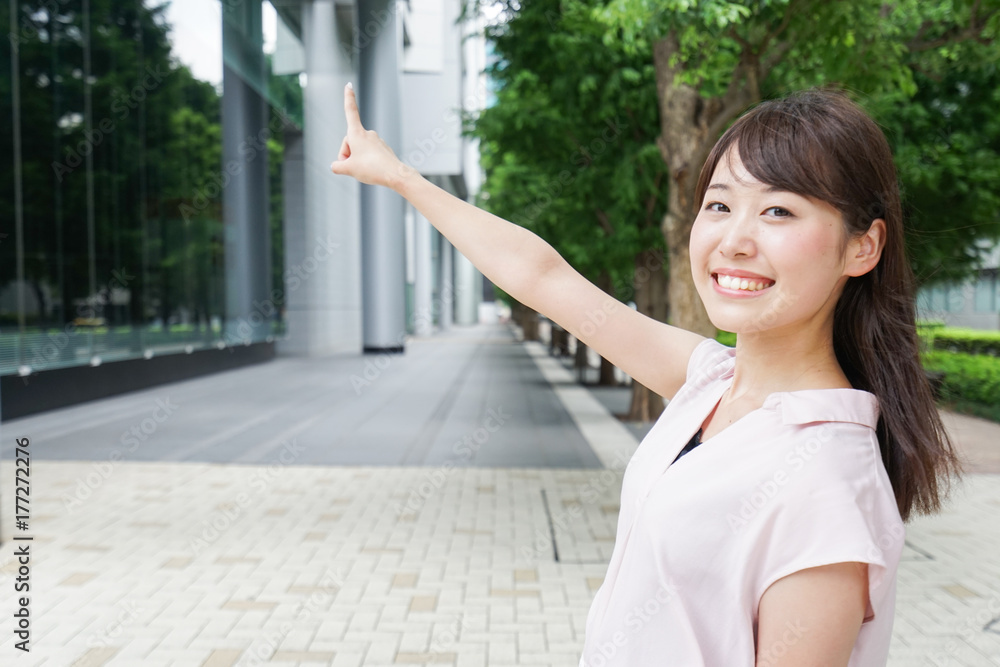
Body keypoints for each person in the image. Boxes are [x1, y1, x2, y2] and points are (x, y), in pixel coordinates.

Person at [330, 84, 964, 666]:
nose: (734, 240)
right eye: (719, 204)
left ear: (863, 247)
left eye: (778, 213)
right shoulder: (712, 382)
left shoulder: (827, 482)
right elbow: (544, 279)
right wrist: (399, 176)